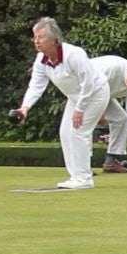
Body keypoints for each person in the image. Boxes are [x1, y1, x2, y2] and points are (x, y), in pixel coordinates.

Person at [17, 17, 110, 189]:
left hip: (96, 93)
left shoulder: (74, 54)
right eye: (35, 37)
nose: (37, 41)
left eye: (41, 37)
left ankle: (84, 179)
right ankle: (75, 176)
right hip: (76, 97)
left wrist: (80, 109)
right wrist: (25, 107)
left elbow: (88, 82)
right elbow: (36, 86)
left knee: (78, 132)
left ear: (55, 40)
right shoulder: (41, 60)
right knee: (65, 133)